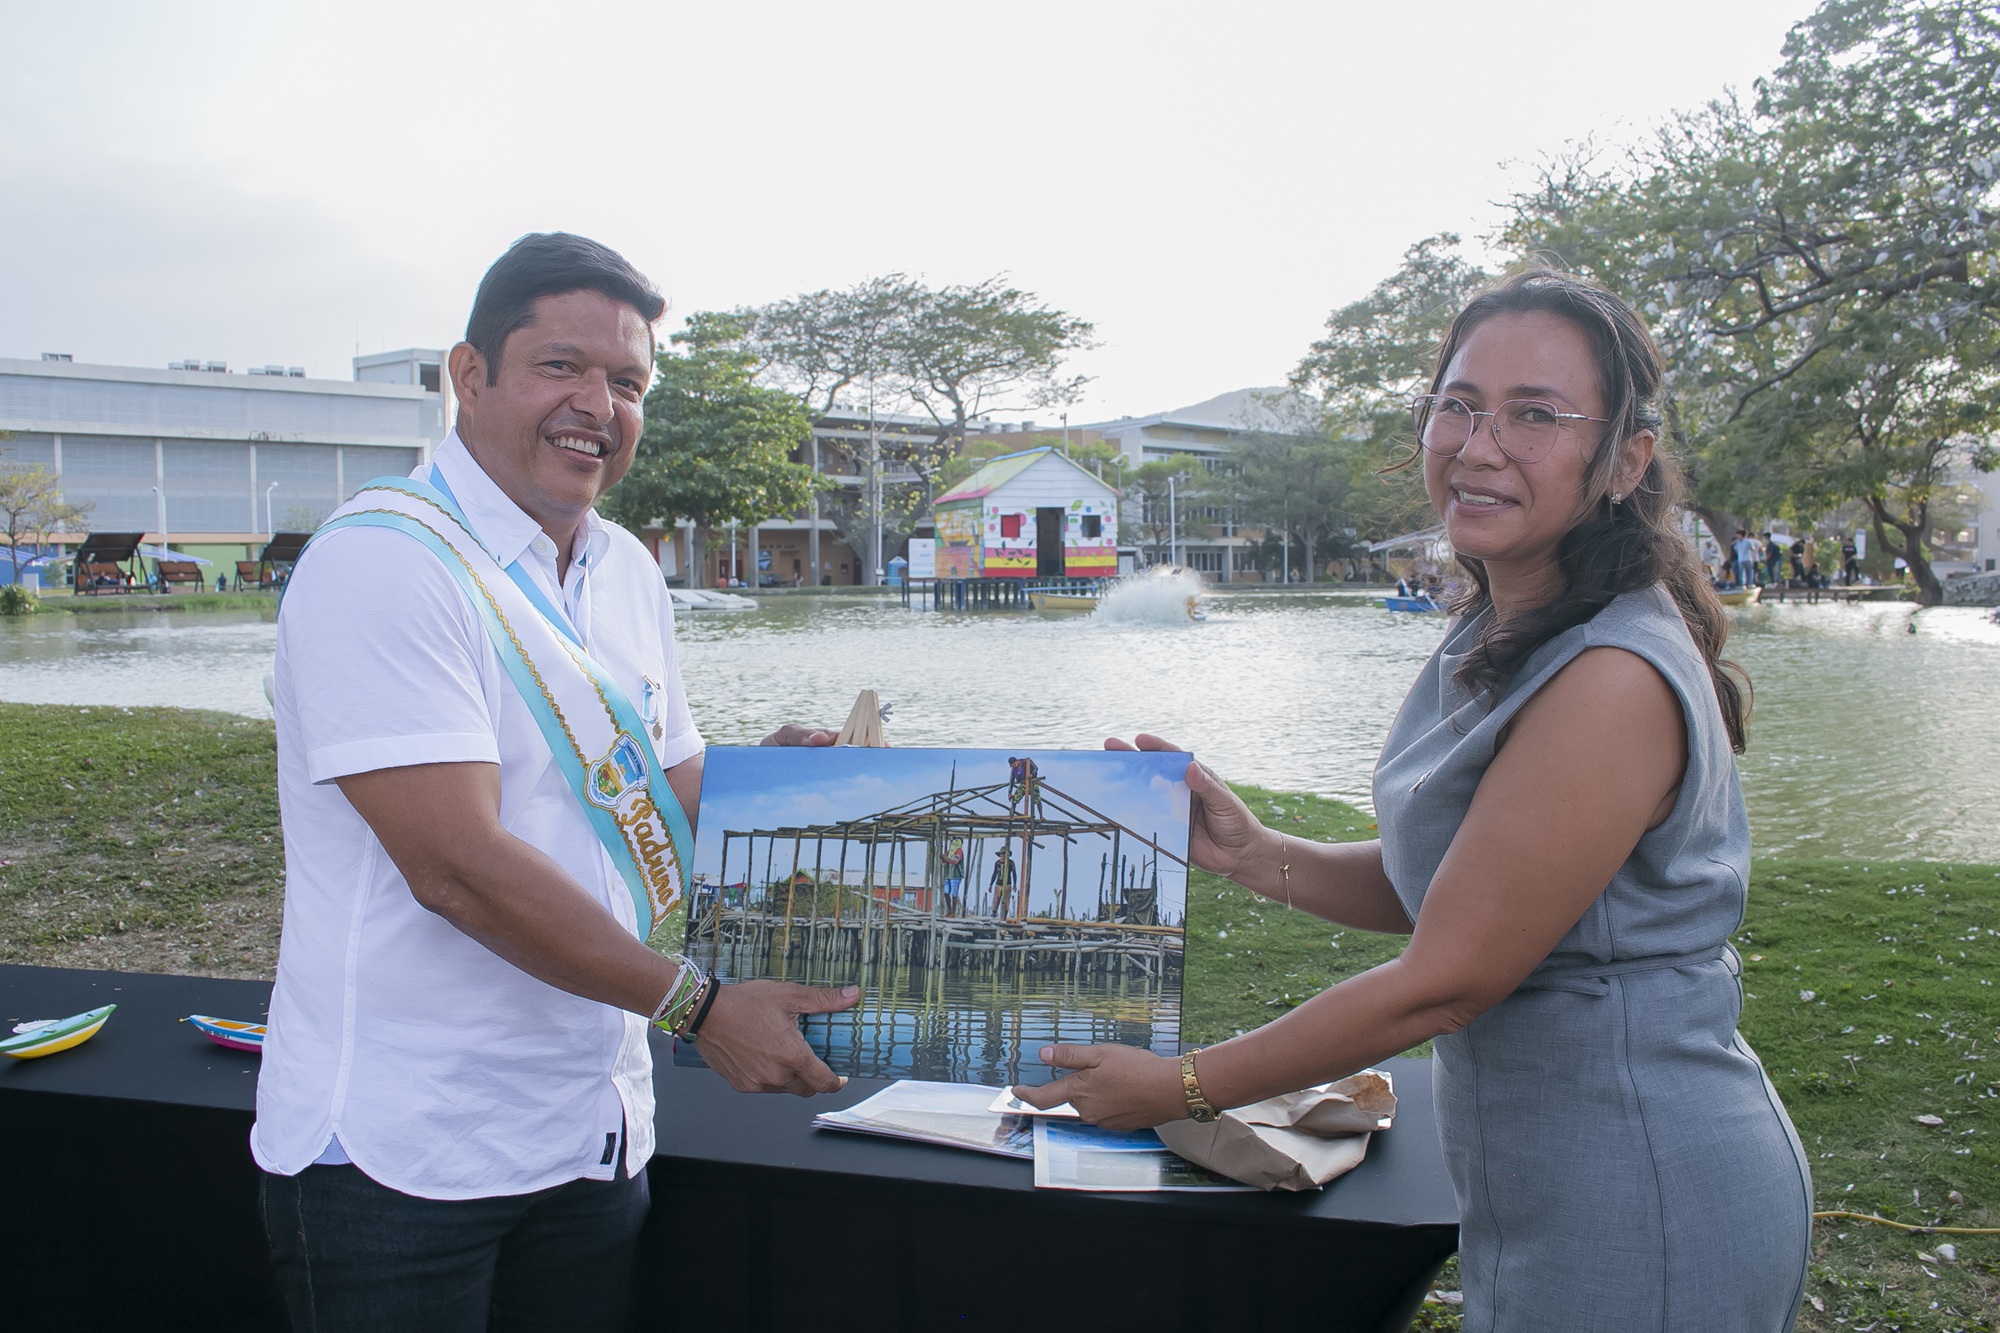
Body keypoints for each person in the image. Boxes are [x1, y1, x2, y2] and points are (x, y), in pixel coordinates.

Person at [1016, 270, 1811, 1331]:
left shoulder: (1611, 675)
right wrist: (1257, 852)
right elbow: (1461, 890)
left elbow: (1447, 979)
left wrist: (1180, 1086)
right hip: (1544, 1174)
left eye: (1534, 415)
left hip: (1642, 1181)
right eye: (1458, 405)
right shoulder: (1502, 625)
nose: (1478, 446)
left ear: (1626, 459)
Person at [253, 233, 858, 1333]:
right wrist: (701, 1007)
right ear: (470, 374)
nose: (598, 405)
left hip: (589, 1124)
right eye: (560, 366)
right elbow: (457, 867)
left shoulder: (623, 568)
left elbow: (660, 783)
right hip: (405, 1149)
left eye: (627, 382)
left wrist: (774, 784)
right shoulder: (385, 561)